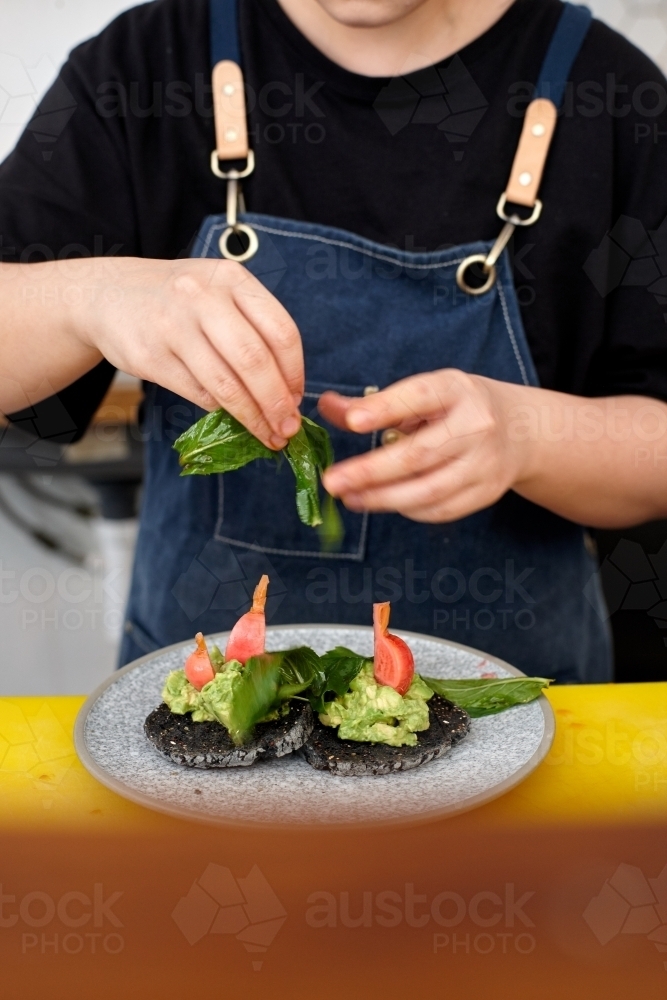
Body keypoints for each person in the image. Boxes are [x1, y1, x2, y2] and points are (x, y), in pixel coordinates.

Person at [1, 0, 667, 682]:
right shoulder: (141, 67)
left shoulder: (612, 94)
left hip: (513, 713)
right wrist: (87, 298)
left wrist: (529, 437)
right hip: (200, 738)